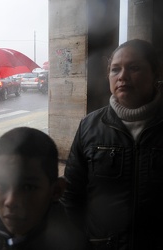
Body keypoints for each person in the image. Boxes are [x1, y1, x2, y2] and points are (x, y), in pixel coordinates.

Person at [60, 39, 163, 249]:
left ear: (156, 75)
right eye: (115, 69)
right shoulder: (89, 126)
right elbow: (72, 195)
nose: (122, 76)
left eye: (134, 68)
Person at [0, 127, 87, 250]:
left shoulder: (71, 243)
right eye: (2, 185)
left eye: (28, 187)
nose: (11, 201)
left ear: (56, 191)